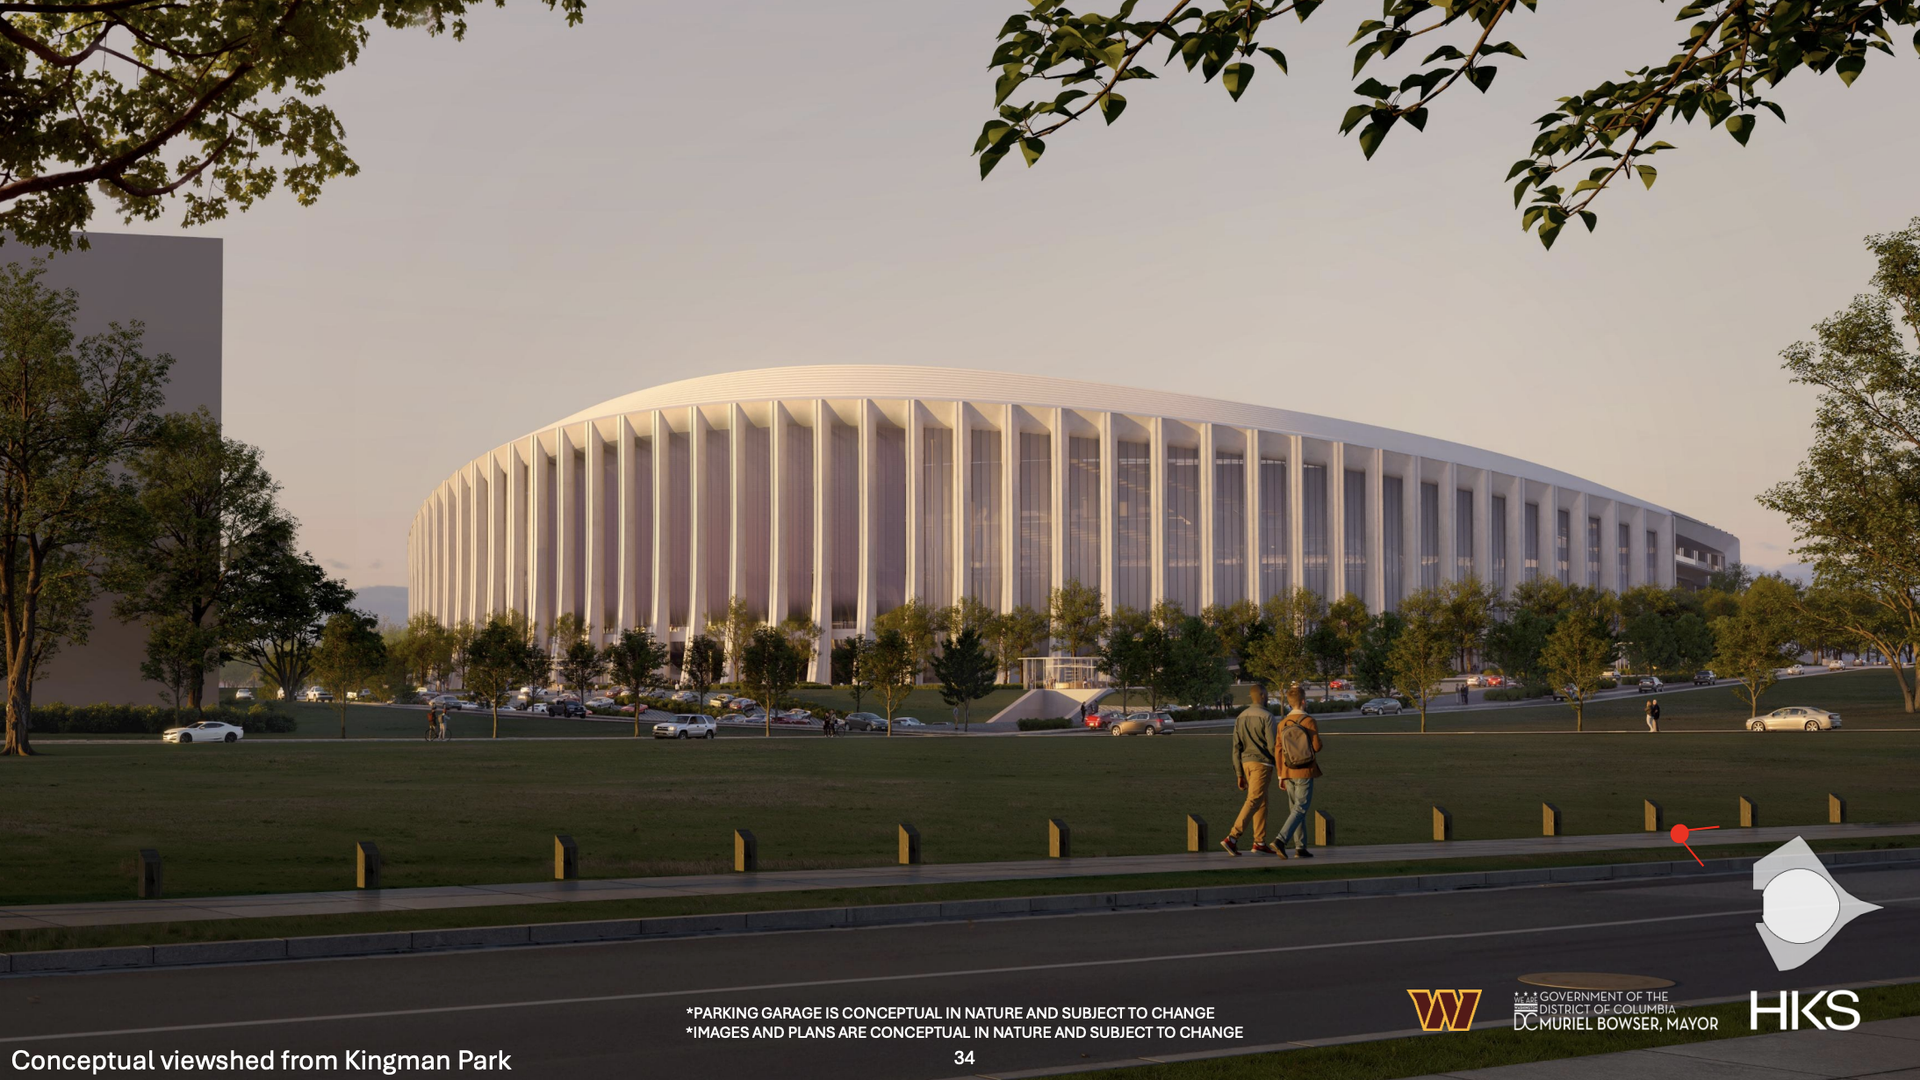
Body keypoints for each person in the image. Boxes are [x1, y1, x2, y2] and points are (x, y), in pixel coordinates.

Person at [1222, 685, 1278, 856]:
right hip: (1262, 764)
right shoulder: (1267, 716)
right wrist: (1281, 764)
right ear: (1261, 695)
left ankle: (1259, 842)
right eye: (1267, 695)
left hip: (1246, 764)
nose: (1268, 697)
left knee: (1261, 802)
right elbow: (1272, 745)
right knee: (1254, 800)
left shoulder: (1241, 717)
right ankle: (1232, 838)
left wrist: (1239, 773)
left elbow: (1235, 748)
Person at [1272, 684, 1324, 859]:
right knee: (1301, 808)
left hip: (1287, 770)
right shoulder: (1309, 721)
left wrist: (1280, 774)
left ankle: (1300, 846)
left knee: (1295, 809)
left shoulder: (1283, 723)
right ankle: (1281, 839)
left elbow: (1278, 750)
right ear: (1303, 702)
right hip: (1304, 770)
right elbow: (1317, 746)